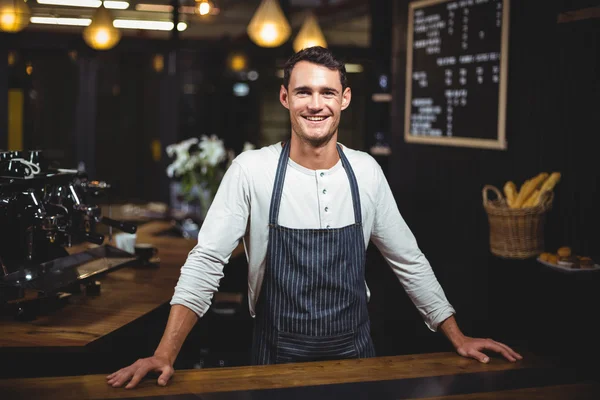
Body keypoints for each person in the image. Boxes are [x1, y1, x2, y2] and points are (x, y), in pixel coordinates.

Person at [107, 46, 522, 389]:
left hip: (357, 359)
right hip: (275, 362)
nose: (316, 104)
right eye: (304, 92)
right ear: (285, 98)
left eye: (327, 92)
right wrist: (164, 355)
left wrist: (457, 336)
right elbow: (205, 262)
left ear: (344, 98)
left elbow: (409, 261)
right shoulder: (252, 170)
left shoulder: (366, 172)